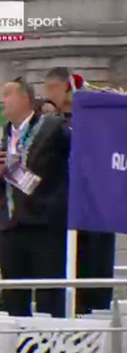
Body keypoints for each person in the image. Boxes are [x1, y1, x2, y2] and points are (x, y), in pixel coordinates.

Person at [0, 77, 70, 318]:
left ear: (26, 99)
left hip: (44, 224)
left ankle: (51, 352)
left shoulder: (51, 128)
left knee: (48, 296)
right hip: (9, 226)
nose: (3, 101)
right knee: (13, 298)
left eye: (8, 95)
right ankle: (17, 352)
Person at [44, 66, 114, 314]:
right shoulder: (49, 123)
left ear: (66, 88)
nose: (48, 95)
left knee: (94, 272)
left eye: (52, 89)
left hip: (94, 206)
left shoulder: (90, 117)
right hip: (62, 209)